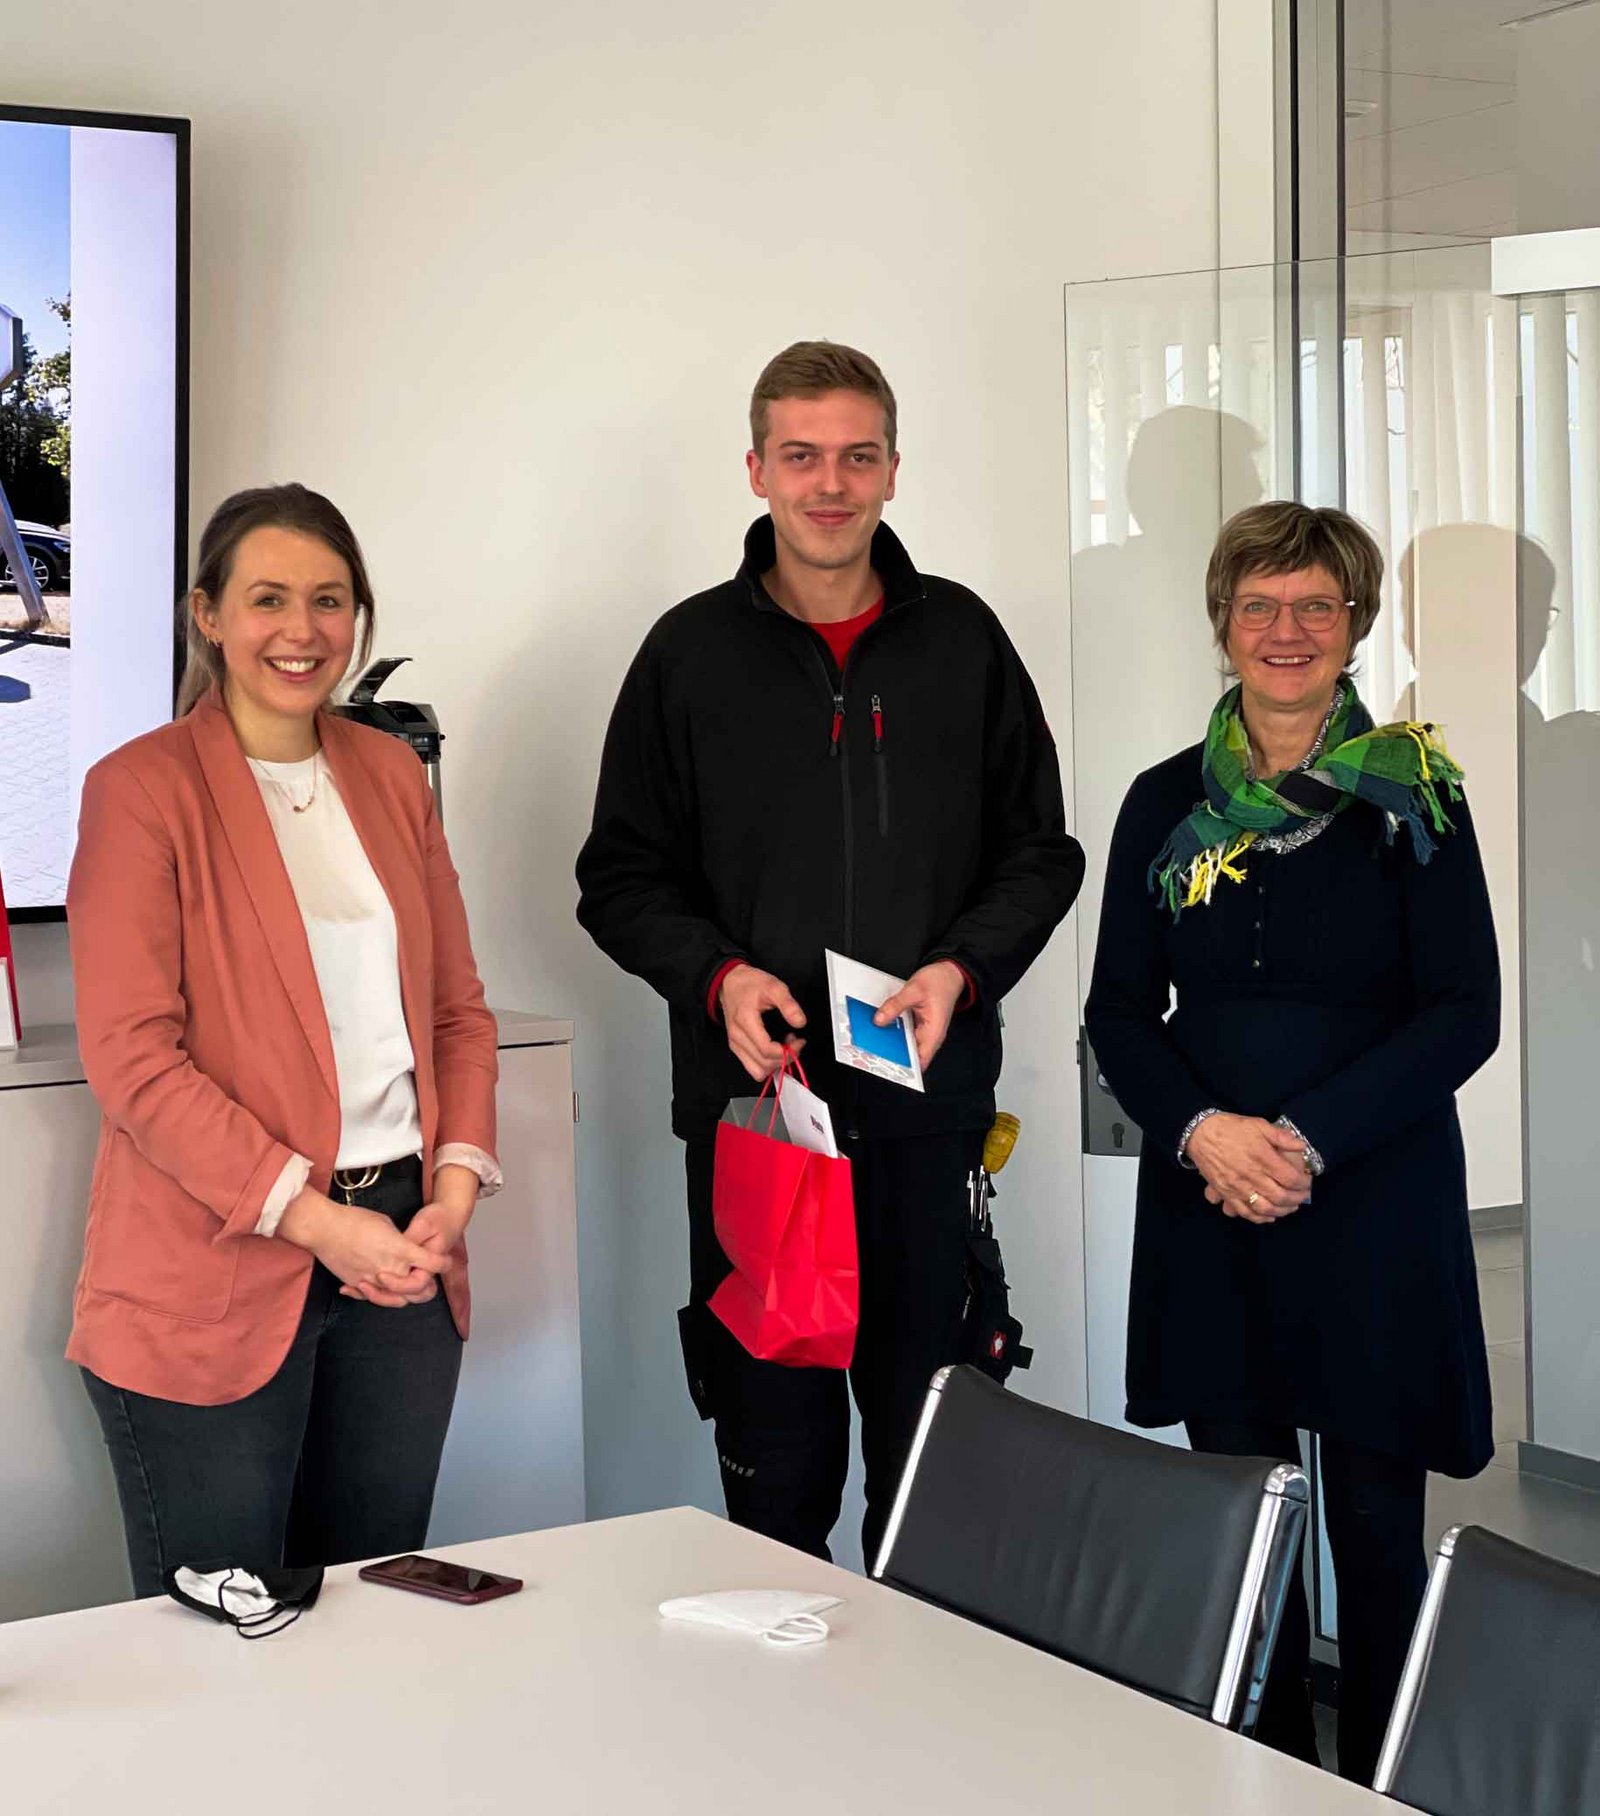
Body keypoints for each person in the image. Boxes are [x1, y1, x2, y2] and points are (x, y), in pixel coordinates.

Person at [576, 341, 1083, 1564]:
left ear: (895, 471)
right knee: (776, 1479)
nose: (829, 483)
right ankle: (787, 1744)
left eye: (857, 456)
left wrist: (961, 969)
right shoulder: (686, 656)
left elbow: (1042, 852)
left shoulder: (962, 641)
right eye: (800, 455)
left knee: (931, 1484)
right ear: (755, 469)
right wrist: (719, 978)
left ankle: (921, 1742)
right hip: (764, 1133)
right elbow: (619, 877)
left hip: (923, 1123)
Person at [1085, 500, 1498, 1783]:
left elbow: (1465, 1009)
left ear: (1353, 624)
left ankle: (1378, 1779)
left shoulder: (1413, 792)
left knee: (1375, 1523)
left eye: (1315, 605)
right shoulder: (1162, 800)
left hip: (1374, 1197)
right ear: (1223, 624)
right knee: (1243, 1526)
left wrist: (1308, 1139)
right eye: (1259, 605)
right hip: (1211, 1198)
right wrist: (1207, 1133)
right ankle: (1256, 1780)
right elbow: (1116, 1013)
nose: (1285, 630)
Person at [67, 484, 501, 1597]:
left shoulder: (393, 776)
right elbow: (133, 1058)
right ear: (206, 614)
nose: (301, 631)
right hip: (212, 1269)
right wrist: (316, 1222)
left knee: (373, 1617)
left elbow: (455, 1010)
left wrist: (449, 1194)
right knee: (224, 1641)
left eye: (328, 600)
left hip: (401, 1259)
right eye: (267, 599)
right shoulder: (141, 790)